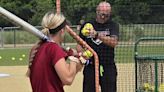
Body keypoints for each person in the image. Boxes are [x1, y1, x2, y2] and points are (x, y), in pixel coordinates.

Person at [27, 11, 83, 92]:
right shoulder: (53, 49)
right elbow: (68, 79)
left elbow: (55, 81)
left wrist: (79, 64)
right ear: (62, 31)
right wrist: (73, 59)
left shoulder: (38, 48)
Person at [76, 1, 119, 92]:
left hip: (108, 65)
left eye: (106, 15)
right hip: (91, 66)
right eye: (101, 14)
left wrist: (97, 35)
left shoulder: (113, 25)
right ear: (97, 12)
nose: (103, 17)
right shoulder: (87, 25)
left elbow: (114, 42)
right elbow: (79, 44)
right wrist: (82, 55)